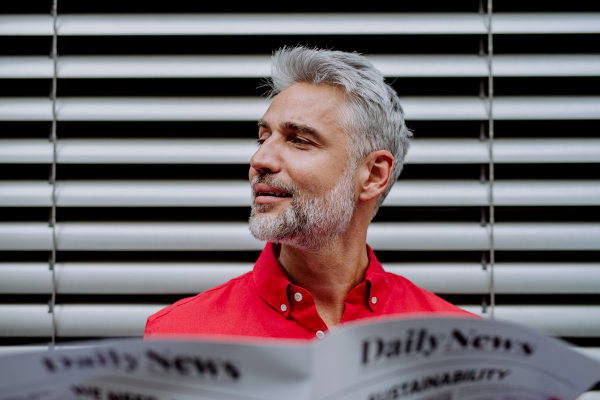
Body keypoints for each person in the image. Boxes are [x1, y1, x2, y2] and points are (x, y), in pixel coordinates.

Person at [144, 46, 476, 340]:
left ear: (374, 175)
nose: (259, 159)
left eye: (299, 139)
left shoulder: (459, 345)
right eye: (263, 137)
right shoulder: (180, 337)